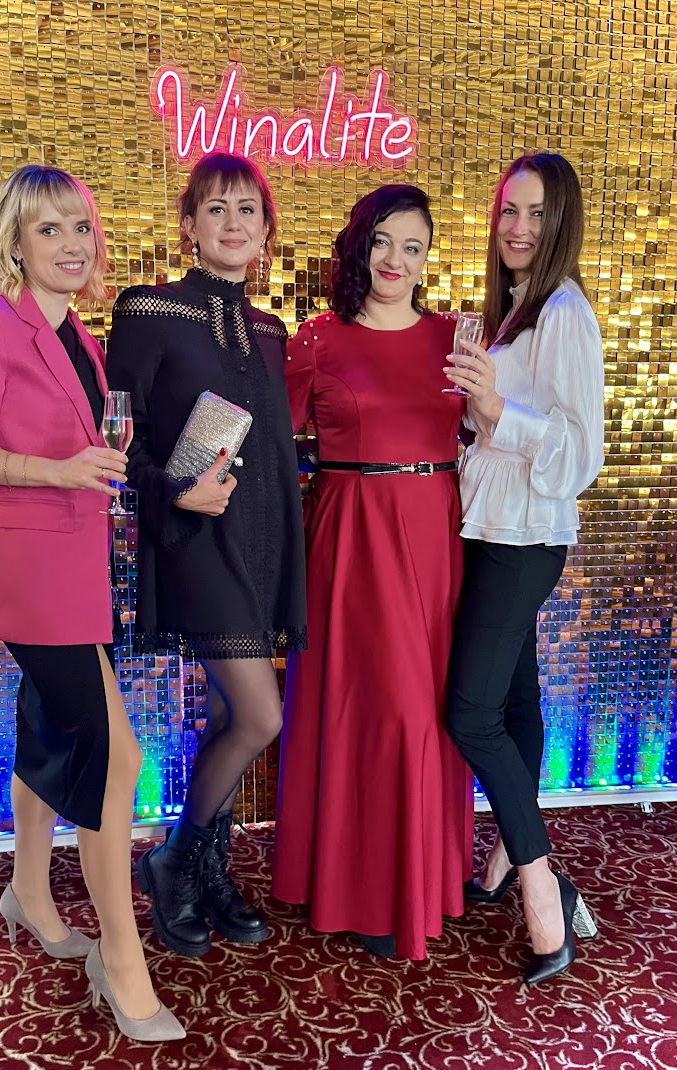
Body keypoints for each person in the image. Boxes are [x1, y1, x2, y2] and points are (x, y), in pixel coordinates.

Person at [0, 165, 185, 1042]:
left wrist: (130, 476)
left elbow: (93, 449)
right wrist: (59, 472)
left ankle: (29, 892)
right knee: (116, 761)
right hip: (32, 576)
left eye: (80, 227)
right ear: (16, 243)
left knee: (48, 733)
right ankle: (121, 960)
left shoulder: (77, 333)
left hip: (77, 571)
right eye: (49, 230)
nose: (72, 245)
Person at [106, 152, 306, 958]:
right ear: (188, 224)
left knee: (231, 716)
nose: (232, 222)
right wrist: (174, 494)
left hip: (261, 542)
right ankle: (175, 859)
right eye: (215, 208)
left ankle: (207, 872)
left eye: (247, 209)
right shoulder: (147, 309)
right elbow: (119, 442)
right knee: (262, 716)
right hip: (194, 540)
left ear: (266, 230)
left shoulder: (271, 331)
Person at [271, 184, 474, 960]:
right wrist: (183, 472)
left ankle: (425, 879)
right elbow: (260, 433)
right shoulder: (318, 340)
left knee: (431, 708)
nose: (396, 259)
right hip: (352, 539)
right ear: (360, 246)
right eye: (383, 241)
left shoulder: (456, 338)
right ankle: (366, 889)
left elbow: (490, 435)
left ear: (426, 260)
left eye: (412, 247)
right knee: (375, 709)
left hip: (438, 535)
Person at [443, 152, 605, 984]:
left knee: (469, 714)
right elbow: (493, 432)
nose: (518, 226)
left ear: (560, 221)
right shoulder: (510, 311)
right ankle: (508, 856)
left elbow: (582, 453)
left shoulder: (565, 312)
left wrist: (495, 410)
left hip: (523, 537)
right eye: (509, 209)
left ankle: (544, 889)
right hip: (489, 526)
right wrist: (473, 416)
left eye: (537, 213)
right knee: (513, 698)